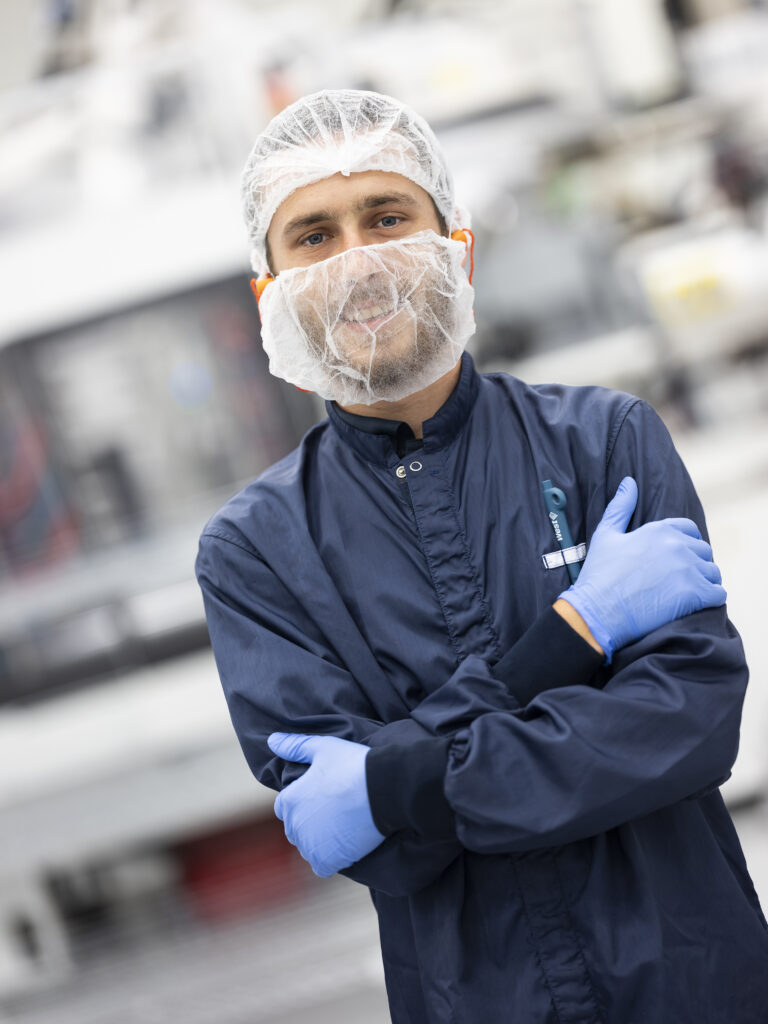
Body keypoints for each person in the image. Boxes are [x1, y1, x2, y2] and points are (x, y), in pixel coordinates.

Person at [195, 90, 768, 1023]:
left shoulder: (602, 444)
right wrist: (573, 638)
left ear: (454, 246)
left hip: (701, 987)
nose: (360, 262)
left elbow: (688, 730)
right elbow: (381, 849)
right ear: (270, 294)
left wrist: (392, 781)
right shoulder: (257, 554)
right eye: (313, 236)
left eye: (387, 217)